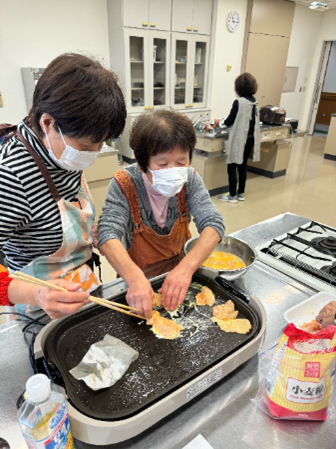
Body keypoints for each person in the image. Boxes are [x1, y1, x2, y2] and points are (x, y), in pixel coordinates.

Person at [0, 53, 126, 319]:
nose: (93, 154)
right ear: (47, 123)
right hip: (39, 305)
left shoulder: (61, 152)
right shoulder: (10, 176)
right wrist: (37, 294)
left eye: (100, 144)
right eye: (85, 147)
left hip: (82, 283)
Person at [98, 109, 225, 319]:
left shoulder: (190, 179)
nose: (173, 170)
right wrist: (134, 277)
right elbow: (107, 232)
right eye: (162, 164)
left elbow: (213, 224)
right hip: (137, 279)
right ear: (141, 163)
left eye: (181, 162)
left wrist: (186, 269)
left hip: (180, 271)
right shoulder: (124, 184)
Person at [215, 73, 260, 204]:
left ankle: (232, 196)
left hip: (239, 140)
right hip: (250, 139)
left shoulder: (239, 102)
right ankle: (241, 193)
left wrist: (219, 122)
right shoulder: (254, 101)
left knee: (232, 166)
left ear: (238, 87)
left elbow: (229, 121)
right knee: (242, 166)